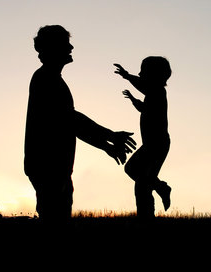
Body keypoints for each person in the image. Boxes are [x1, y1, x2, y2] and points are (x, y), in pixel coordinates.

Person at [24, 25, 136, 222]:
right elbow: (71, 120)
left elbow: (71, 124)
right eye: (66, 44)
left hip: (55, 166)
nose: (71, 47)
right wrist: (110, 137)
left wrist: (106, 145)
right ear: (54, 47)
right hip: (48, 166)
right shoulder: (46, 80)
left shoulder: (51, 79)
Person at [114, 57, 172, 219]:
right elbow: (144, 108)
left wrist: (127, 76)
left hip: (157, 144)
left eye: (143, 71)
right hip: (151, 144)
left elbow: (145, 87)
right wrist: (133, 100)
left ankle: (146, 218)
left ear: (155, 75)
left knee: (142, 184)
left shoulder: (158, 91)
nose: (139, 74)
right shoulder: (154, 94)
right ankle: (160, 188)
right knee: (133, 171)